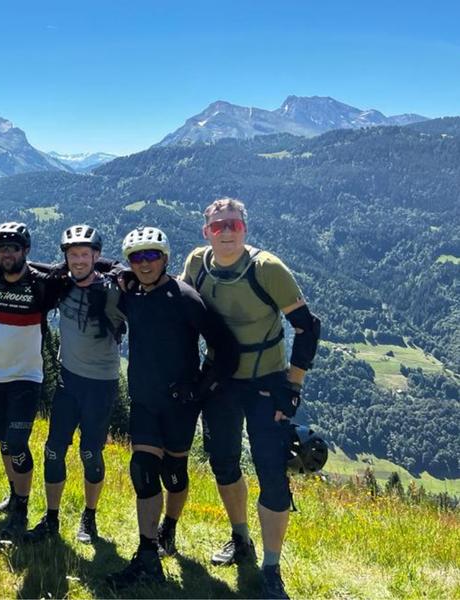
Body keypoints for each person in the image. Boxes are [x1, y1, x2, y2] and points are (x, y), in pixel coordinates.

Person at [181, 198, 321, 600]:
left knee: (272, 474)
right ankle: (241, 540)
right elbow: (182, 311)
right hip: (220, 381)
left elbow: (307, 329)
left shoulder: (268, 269)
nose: (226, 232)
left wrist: (292, 387)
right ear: (205, 231)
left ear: (246, 229)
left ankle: (272, 567)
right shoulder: (196, 264)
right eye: (218, 225)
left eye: (234, 225)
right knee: (223, 462)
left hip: (267, 382)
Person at [106, 226, 238, 589]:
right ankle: (147, 554)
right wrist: (119, 271)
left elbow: (224, 346)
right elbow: (98, 266)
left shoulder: (184, 297)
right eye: (137, 257)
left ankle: (169, 529)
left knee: (174, 474)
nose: (144, 263)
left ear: (165, 258)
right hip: (144, 401)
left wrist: (199, 388)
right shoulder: (131, 292)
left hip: (180, 405)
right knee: (143, 469)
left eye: (151, 256)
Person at [0, 222, 68, 541]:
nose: (7, 254)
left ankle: (21, 510)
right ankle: (14, 496)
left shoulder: (41, 285)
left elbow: (73, 273)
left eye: (14, 248)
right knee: (5, 443)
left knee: (18, 443)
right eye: (2, 249)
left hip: (26, 378)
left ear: (26, 251)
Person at [22, 225, 126, 545]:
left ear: (96, 255)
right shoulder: (61, 284)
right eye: (72, 254)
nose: (78, 260)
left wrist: (117, 269)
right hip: (69, 380)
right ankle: (51, 519)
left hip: (101, 384)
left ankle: (89, 517)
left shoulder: (113, 290)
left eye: (85, 254)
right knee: (53, 450)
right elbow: (33, 271)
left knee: (91, 453)